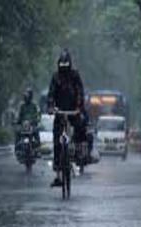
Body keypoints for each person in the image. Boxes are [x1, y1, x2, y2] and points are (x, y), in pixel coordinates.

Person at [47, 49, 87, 187]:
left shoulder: (75, 76)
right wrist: (51, 107)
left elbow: (80, 92)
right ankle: (58, 173)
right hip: (60, 112)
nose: (63, 70)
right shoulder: (55, 77)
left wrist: (79, 106)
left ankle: (80, 153)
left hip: (73, 111)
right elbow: (51, 94)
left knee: (81, 126)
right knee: (57, 139)